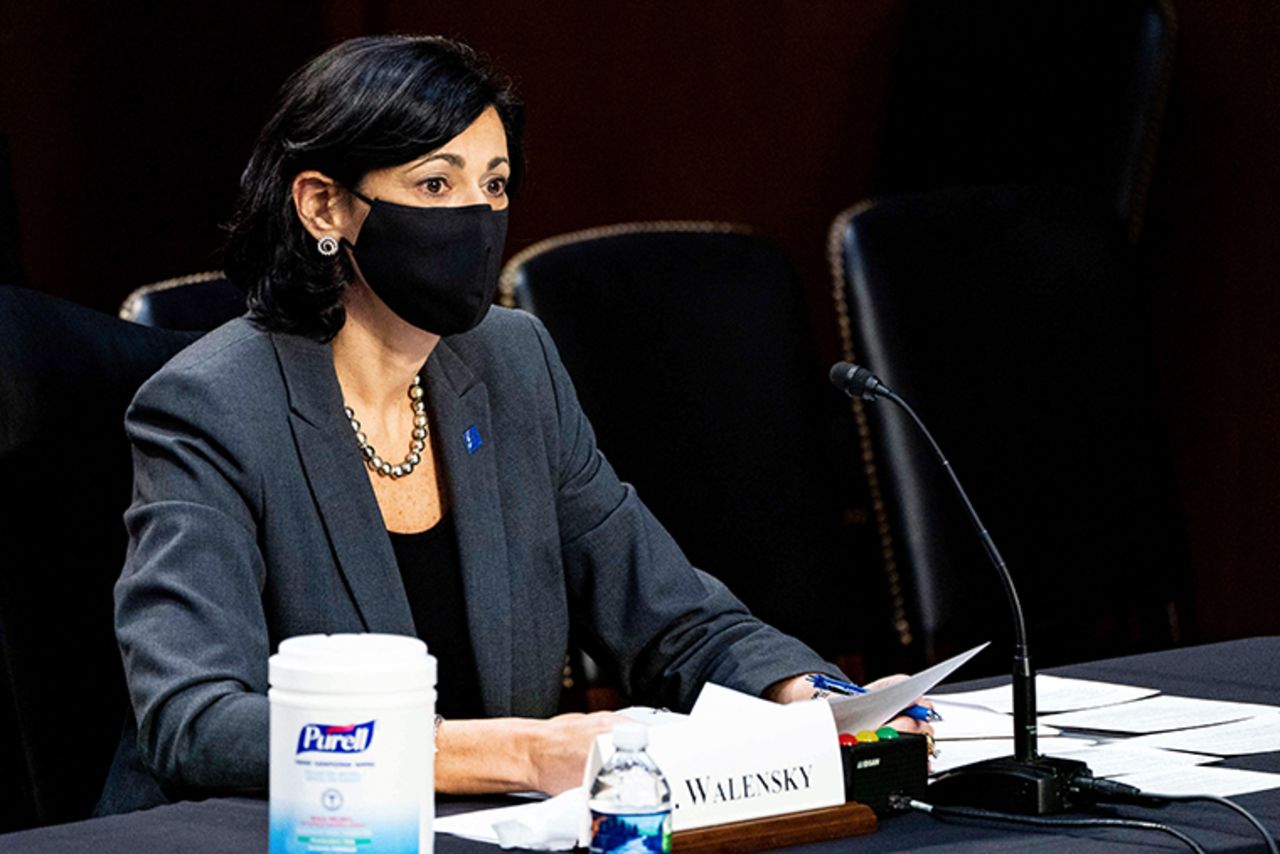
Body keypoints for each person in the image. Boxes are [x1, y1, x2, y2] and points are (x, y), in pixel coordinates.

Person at [106, 35, 926, 809]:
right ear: (325, 207)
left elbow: (669, 615)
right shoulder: (212, 406)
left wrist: (819, 699)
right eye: (436, 185)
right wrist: (520, 754)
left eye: (494, 185)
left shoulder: (512, 363)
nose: (477, 215)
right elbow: (199, 724)